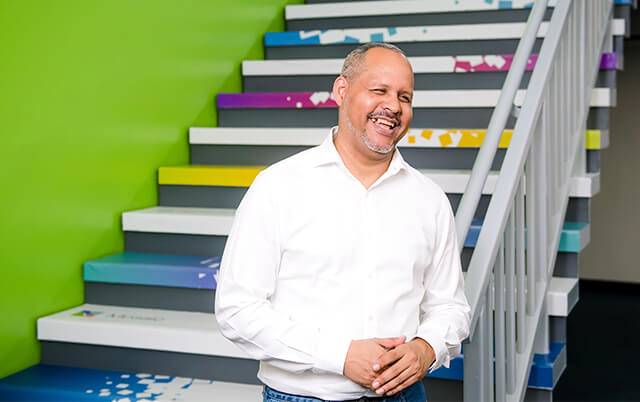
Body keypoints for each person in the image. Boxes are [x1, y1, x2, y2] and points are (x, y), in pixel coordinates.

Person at [215, 42, 471, 402]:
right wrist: (340, 356)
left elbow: (450, 307)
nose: (393, 107)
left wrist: (425, 348)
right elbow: (237, 310)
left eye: (405, 97)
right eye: (379, 90)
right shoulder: (278, 186)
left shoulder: (430, 200)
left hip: (405, 396)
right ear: (341, 90)